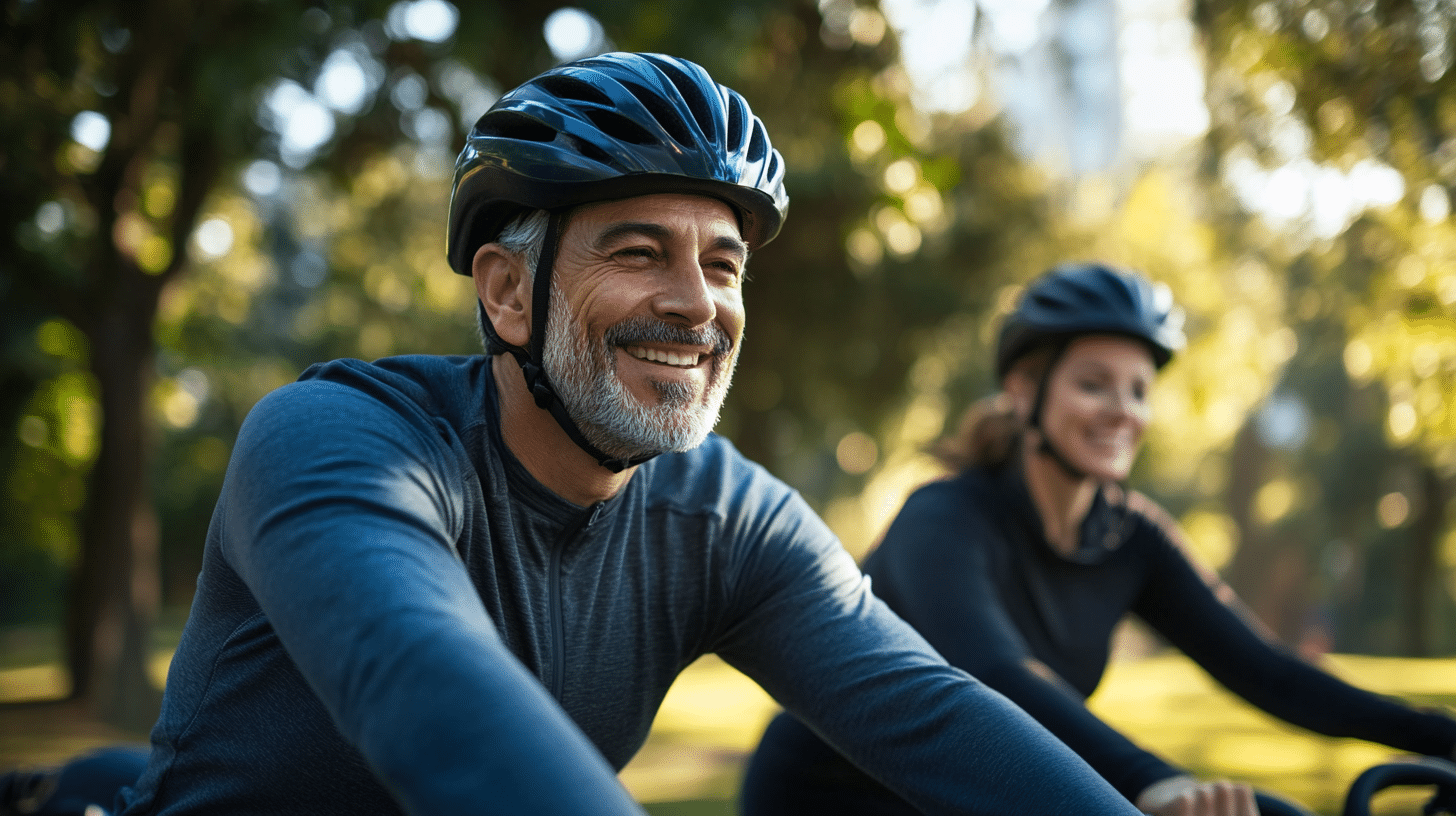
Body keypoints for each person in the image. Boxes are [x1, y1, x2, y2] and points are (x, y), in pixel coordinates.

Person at [89, 54, 1145, 816]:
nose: (695, 304)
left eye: (722, 264)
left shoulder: (725, 518)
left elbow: (933, 715)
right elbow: (423, 681)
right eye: (638, 251)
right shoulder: (333, 441)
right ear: (507, 293)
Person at [738, 262, 1456, 816]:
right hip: (833, 795)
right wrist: (1156, 782)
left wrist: (1440, 736)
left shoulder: (1130, 535)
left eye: (1138, 390)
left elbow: (1266, 671)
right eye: (1094, 384)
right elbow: (998, 674)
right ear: (1023, 389)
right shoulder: (944, 518)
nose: (1123, 411)